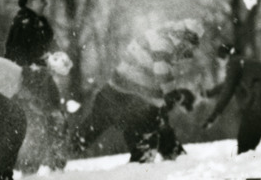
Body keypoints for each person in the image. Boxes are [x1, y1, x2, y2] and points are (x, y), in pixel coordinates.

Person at [71, 19, 203, 163]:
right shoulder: (164, 43)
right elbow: (162, 76)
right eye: (189, 47)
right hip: (126, 98)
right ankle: (166, 158)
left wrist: (176, 96)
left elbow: (157, 85)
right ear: (186, 38)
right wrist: (175, 96)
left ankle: (63, 152)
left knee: (90, 130)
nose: (187, 52)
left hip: (112, 94)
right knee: (147, 135)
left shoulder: (160, 36)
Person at [4, 0, 68, 171]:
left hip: (44, 78)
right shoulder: (22, 23)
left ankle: (56, 164)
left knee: (55, 117)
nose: (46, 3)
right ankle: (29, 170)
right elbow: (14, 56)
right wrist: (32, 69)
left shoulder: (42, 23)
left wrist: (58, 58)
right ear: (29, 1)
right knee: (35, 124)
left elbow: (50, 46)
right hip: (28, 81)